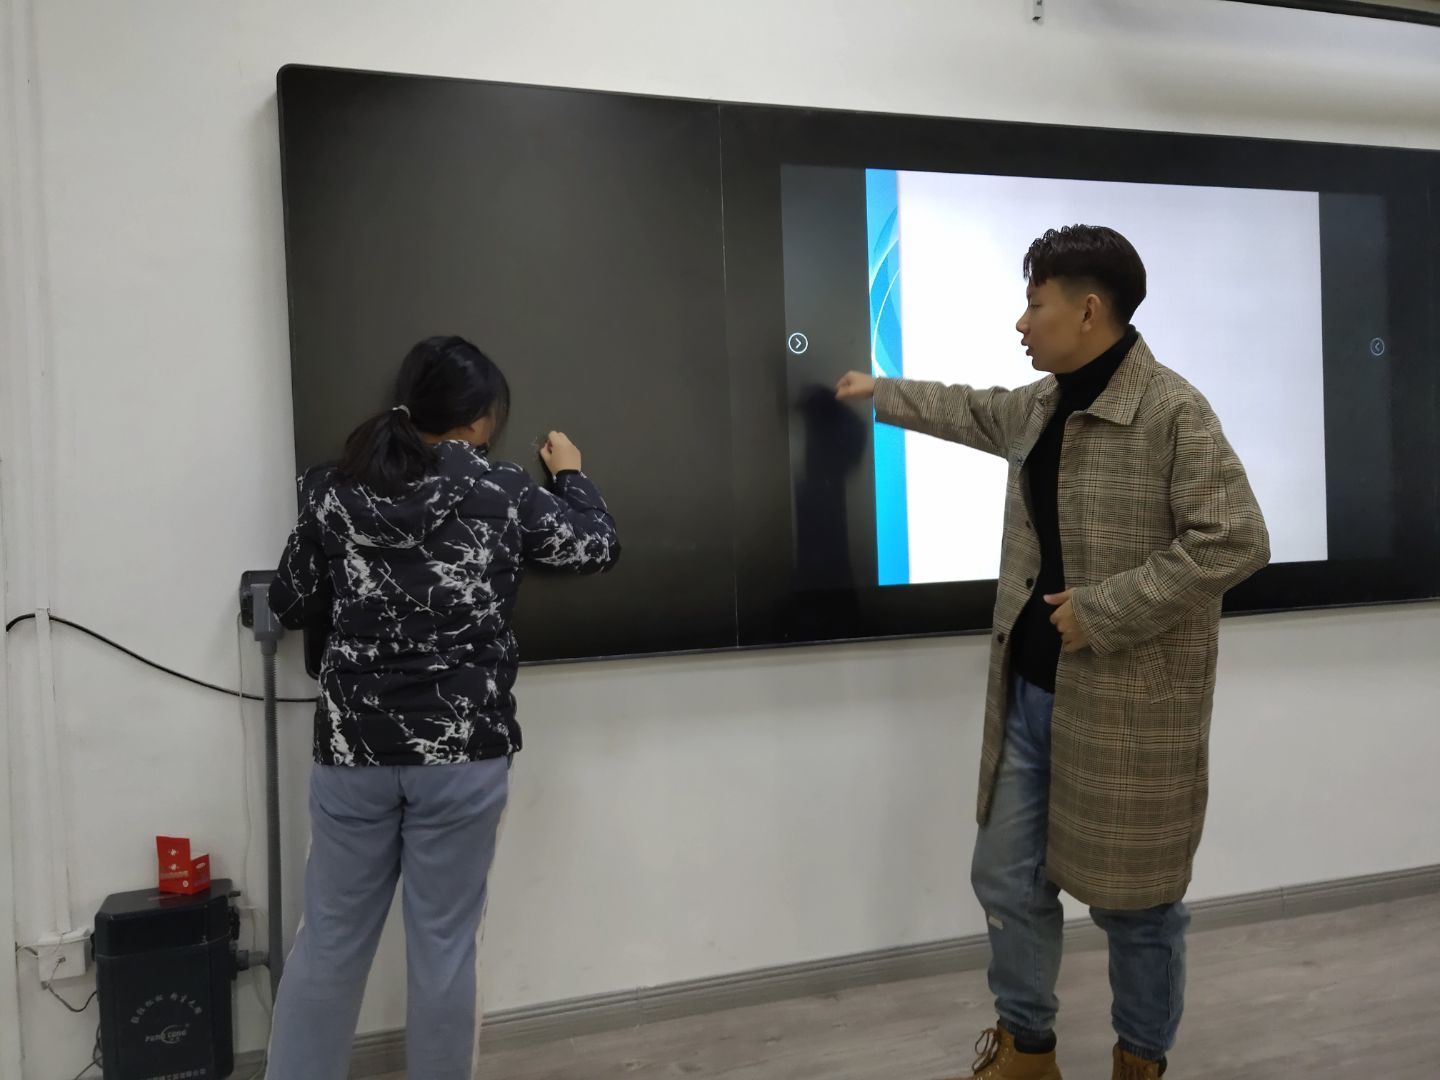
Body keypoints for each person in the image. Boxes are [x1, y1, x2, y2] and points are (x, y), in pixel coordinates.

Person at [836, 225, 1270, 1080]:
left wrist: (1104, 609)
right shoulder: (1041, 404)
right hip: (1031, 697)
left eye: (1035, 304)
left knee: (1137, 907)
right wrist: (879, 391)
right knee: (1007, 881)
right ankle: (1027, 1049)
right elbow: (970, 409)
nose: (1021, 323)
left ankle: (1140, 1061)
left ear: (1089, 310)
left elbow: (1236, 540)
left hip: (1127, 712)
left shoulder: (1173, 412)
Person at [263, 335, 620, 1080]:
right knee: (444, 950)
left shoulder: (332, 488)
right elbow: (594, 546)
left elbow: (291, 600)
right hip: (463, 754)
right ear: (483, 419)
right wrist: (572, 475)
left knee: (328, 943)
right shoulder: (503, 489)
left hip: (354, 753)